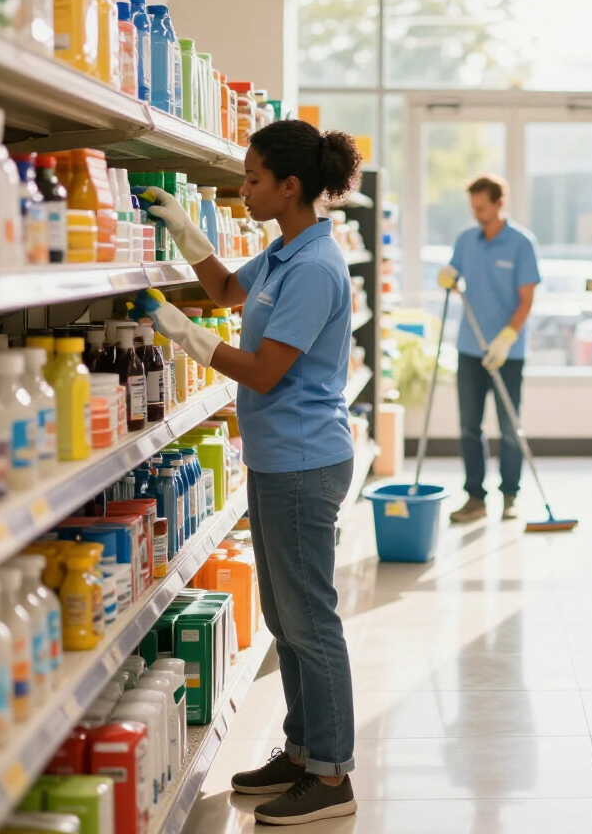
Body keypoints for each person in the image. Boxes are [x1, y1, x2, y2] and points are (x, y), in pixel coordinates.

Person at [132, 119, 363, 825]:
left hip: (302, 461)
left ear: (290, 187)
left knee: (309, 620)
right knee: (283, 617)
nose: (245, 188)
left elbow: (264, 371)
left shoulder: (317, 268)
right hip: (276, 458)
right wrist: (184, 230)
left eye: (254, 178)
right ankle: (301, 751)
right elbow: (231, 289)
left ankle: (330, 780)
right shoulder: (288, 251)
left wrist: (186, 335)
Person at [438, 174, 541, 523]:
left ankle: (510, 496)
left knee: (509, 428)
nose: (478, 213)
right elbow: (456, 278)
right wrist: (449, 278)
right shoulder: (466, 240)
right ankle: (475, 498)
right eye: (474, 208)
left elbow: (527, 299)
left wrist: (507, 337)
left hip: (508, 351)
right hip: (470, 347)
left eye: (483, 207)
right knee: (469, 426)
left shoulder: (522, 244)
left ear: (500, 203)